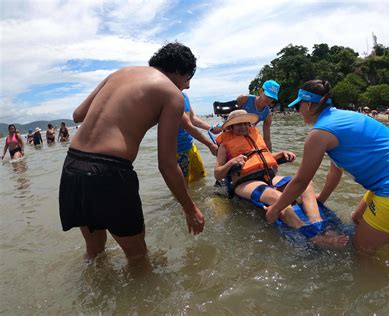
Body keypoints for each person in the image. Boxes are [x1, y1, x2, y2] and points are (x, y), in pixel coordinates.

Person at [59, 42, 205, 262]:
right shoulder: (172, 95)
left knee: (95, 254)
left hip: (72, 167)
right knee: (138, 258)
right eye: (188, 79)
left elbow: (78, 114)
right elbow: (166, 163)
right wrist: (190, 208)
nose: (188, 86)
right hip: (109, 173)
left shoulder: (120, 73)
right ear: (179, 71)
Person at [265, 79, 389, 254]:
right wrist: (321, 200)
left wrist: (275, 210)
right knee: (356, 219)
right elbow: (335, 172)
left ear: (308, 105)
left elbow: (301, 181)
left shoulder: (319, 134)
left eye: (298, 107)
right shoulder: (341, 117)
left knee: (362, 249)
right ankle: (384, 239)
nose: (298, 112)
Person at [214, 110, 349, 249]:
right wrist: (231, 162)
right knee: (277, 197)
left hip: (268, 178)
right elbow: (217, 174)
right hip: (245, 182)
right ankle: (312, 235)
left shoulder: (254, 135)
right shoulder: (224, 145)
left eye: (245, 123)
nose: (242, 127)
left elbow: (262, 156)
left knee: (306, 183)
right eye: (238, 124)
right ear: (230, 127)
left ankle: (318, 223)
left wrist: (280, 154)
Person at [173, 84, 218, 182]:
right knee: (183, 186)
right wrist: (210, 145)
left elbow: (193, 119)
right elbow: (188, 127)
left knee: (200, 179)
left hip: (190, 146)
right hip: (178, 152)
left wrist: (211, 128)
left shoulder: (184, 96)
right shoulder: (171, 97)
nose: (190, 78)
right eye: (189, 73)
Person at [235, 80, 280, 151]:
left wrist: (271, 157)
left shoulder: (267, 114)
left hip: (248, 133)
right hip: (234, 129)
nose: (269, 100)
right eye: (268, 96)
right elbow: (231, 116)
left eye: (272, 98)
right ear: (261, 91)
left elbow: (267, 139)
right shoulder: (244, 99)